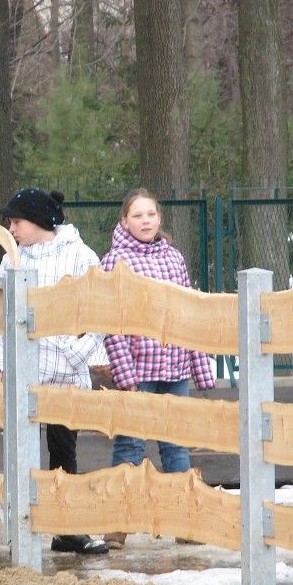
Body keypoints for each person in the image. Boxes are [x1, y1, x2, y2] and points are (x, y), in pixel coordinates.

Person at [0, 187, 108, 555]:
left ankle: (65, 529)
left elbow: (99, 312)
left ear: (39, 221)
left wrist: (75, 354)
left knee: (63, 453)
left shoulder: (81, 256)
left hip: (65, 378)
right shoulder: (12, 259)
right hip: (23, 373)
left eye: (17, 221)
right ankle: (20, 527)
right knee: (20, 452)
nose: (12, 228)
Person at [99, 188, 216, 550]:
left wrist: (200, 370)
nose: (145, 221)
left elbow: (188, 312)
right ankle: (119, 524)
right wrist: (126, 376)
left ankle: (186, 521)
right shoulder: (114, 261)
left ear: (159, 218)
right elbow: (112, 322)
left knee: (177, 447)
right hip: (139, 369)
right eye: (137, 215)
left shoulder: (174, 258)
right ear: (124, 221)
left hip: (175, 367)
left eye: (150, 214)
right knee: (131, 445)